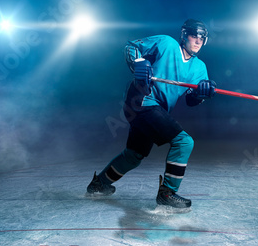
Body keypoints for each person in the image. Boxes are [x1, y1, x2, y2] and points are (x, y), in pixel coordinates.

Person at [86, 19, 216, 208]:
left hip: (154, 110)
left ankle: (99, 184)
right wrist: (139, 63)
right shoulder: (166, 43)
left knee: (134, 155)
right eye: (194, 35)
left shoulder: (200, 68)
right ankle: (167, 193)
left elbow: (191, 100)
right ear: (184, 35)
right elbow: (131, 47)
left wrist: (202, 93)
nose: (198, 41)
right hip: (141, 101)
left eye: (202, 38)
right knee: (184, 141)